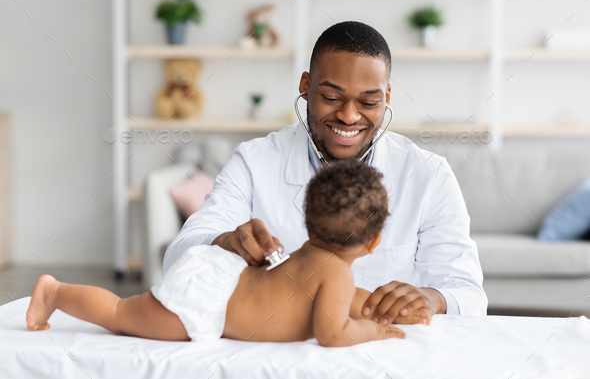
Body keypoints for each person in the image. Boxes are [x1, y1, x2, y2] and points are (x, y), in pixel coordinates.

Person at [163, 21, 488, 324]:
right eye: (331, 97)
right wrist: (223, 241)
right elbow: (179, 255)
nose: (348, 116)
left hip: (388, 351)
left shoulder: (428, 174)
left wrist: (433, 298)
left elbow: (469, 295)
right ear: (306, 86)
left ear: (386, 98)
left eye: (368, 102)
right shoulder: (255, 161)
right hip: (281, 348)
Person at [26, 160, 423, 346]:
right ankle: (54, 293)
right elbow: (332, 332)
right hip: (209, 300)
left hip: (225, 276)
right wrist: (372, 331)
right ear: (373, 242)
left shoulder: (314, 256)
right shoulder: (337, 273)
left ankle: (57, 294)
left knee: (121, 311)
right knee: (119, 315)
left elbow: (346, 302)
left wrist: (386, 307)